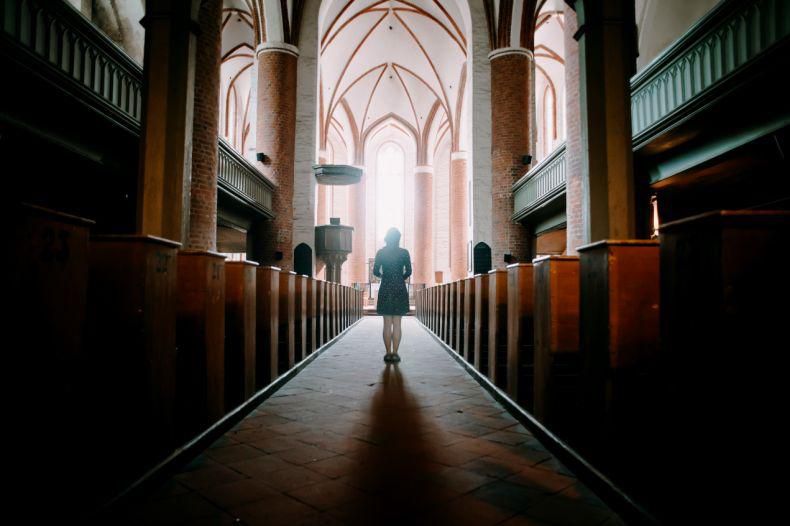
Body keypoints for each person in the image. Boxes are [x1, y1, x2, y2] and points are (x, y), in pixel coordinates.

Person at [373, 228, 412, 363]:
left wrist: (384, 276)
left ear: (387, 238)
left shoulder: (381, 253)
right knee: (397, 323)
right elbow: (409, 271)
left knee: (386, 323)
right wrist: (401, 278)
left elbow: (375, 271)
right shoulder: (404, 253)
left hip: (386, 287)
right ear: (398, 238)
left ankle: (387, 353)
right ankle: (395, 353)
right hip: (399, 288)